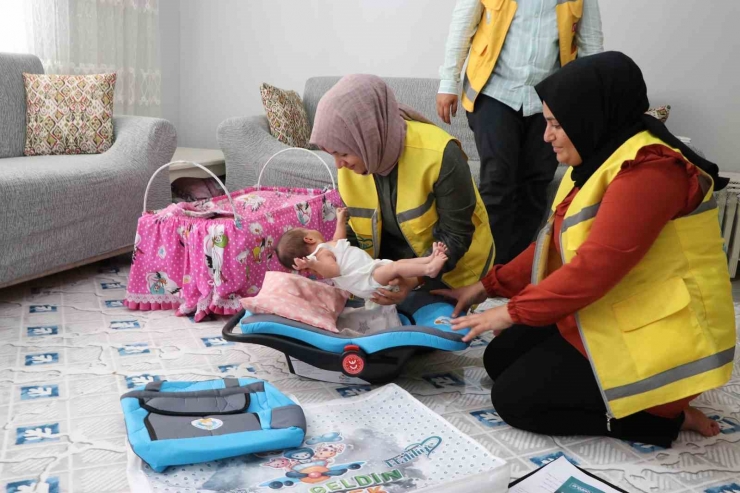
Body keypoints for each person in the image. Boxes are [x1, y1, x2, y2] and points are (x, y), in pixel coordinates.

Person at [434, 52, 734, 447]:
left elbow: (595, 268)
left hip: (660, 339)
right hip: (618, 310)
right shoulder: (602, 160)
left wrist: (511, 311)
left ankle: (663, 418)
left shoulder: (651, 171)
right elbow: (552, 243)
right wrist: (485, 288)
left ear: (589, 117)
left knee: (514, 401)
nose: (546, 136)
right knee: (499, 359)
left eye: (556, 124)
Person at [437, 0, 603, 265]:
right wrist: (448, 82)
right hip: (493, 92)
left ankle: (515, 269)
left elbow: (591, 43)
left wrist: (591, 102)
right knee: (498, 179)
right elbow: (462, 26)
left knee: (536, 184)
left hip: (549, 97)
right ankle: (487, 268)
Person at [309, 74, 495, 307]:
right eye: (332, 154)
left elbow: (455, 235)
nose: (338, 165)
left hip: (453, 271)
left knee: (429, 336)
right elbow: (354, 231)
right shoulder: (353, 162)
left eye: (344, 153)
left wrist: (412, 278)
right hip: (391, 275)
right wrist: (342, 268)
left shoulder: (441, 155)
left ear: (369, 135)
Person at [275, 207, 450, 302]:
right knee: (396, 267)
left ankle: (429, 259)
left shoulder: (328, 248)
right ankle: (428, 269)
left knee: (400, 263)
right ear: (309, 239)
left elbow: (339, 240)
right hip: (367, 280)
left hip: (369, 272)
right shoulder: (321, 258)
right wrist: (312, 264)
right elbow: (333, 271)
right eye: (309, 230)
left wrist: (340, 221)